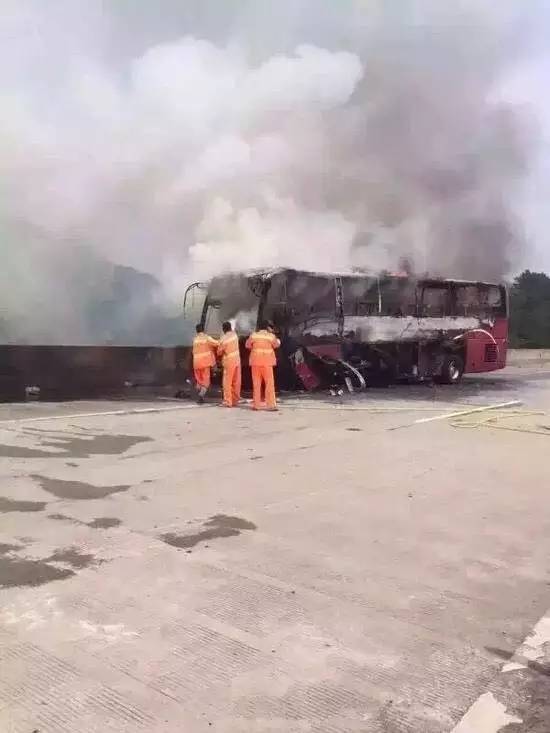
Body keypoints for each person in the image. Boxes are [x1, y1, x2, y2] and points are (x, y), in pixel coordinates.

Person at [245, 320, 281, 411]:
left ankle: (256, 405)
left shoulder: (253, 335)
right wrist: (277, 339)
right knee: (269, 384)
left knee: (256, 384)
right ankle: (271, 405)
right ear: (267, 327)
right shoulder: (271, 336)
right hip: (267, 363)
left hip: (255, 363)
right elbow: (276, 345)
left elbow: (247, 345)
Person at [217, 321, 241, 407]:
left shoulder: (223, 339)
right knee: (236, 381)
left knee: (227, 382)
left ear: (223, 329)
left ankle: (228, 401)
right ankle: (235, 400)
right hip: (237, 360)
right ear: (230, 328)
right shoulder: (235, 335)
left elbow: (219, 352)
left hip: (229, 361)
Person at [192, 324, 218, 403]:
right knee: (206, 381)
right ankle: (201, 395)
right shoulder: (207, 338)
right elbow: (217, 343)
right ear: (203, 330)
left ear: (196, 331)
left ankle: (199, 393)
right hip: (205, 363)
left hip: (196, 363)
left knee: (199, 381)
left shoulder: (195, 339)